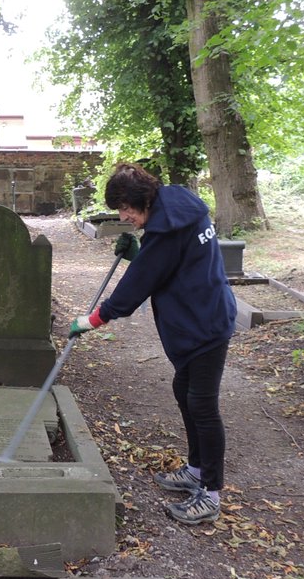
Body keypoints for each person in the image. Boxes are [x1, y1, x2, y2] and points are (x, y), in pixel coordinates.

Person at [69, 162, 237, 524]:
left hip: (204, 323)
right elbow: (169, 261)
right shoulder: (178, 204)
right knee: (184, 391)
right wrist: (140, 252)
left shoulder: (166, 230)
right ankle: (196, 469)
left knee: (202, 405)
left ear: (143, 200)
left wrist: (95, 318)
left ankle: (211, 494)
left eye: (125, 208)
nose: (123, 217)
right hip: (201, 315)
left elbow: (140, 282)